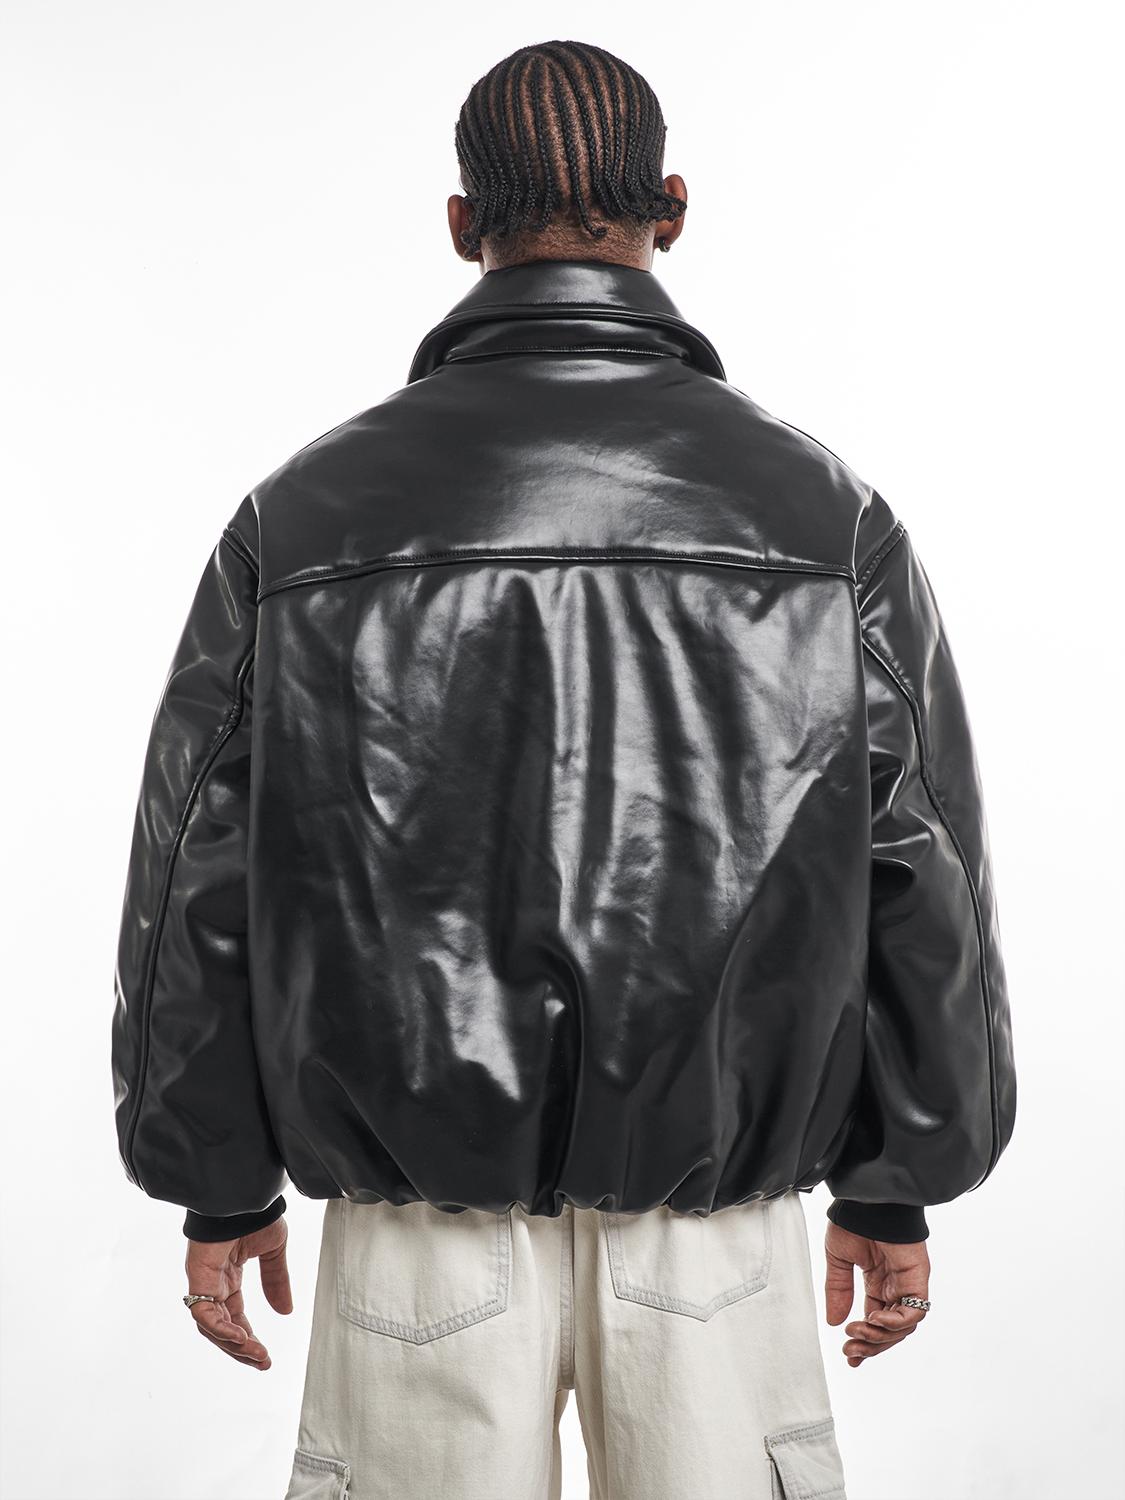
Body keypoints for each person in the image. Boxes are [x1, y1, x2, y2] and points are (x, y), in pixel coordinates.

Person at [110, 38, 1017, 1500]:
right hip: (715, 1231)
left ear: (461, 223)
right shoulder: (820, 513)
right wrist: (896, 1182)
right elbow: (920, 863)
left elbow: (195, 871)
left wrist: (214, 1179)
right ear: (673, 206)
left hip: (415, 1228)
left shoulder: (305, 513)